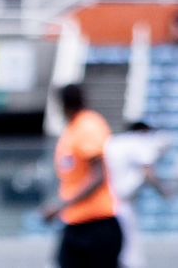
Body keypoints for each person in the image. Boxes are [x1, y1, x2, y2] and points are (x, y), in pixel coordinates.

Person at [42, 84, 123, 268]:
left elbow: (98, 176)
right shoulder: (72, 129)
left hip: (97, 224)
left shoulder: (88, 126)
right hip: (76, 222)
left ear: (62, 104)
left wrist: (61, 205)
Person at [105, 121, 173, 268]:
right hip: (120, 205)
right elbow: (149, 172)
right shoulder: (138, 142)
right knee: (131, 253)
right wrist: (163, 191)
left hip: (104, 203)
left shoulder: (116, 142)